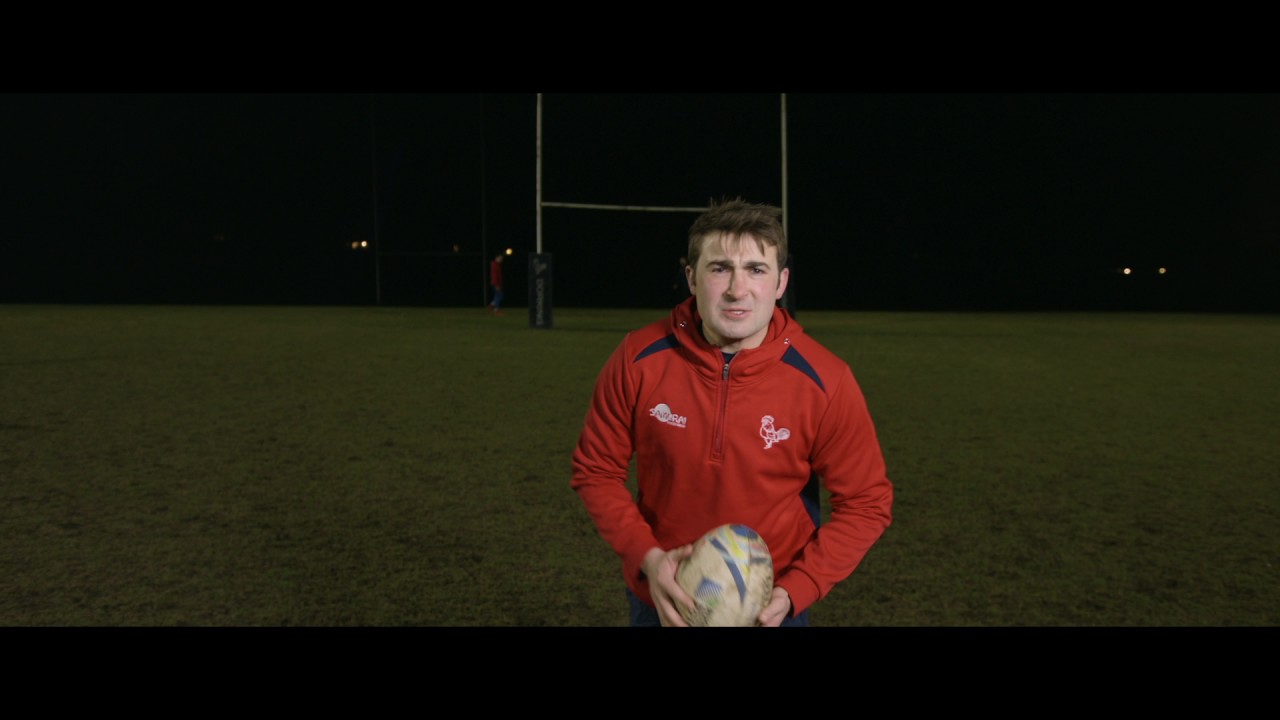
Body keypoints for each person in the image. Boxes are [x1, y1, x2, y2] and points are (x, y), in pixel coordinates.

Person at [570, 197, 893, 627]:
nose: (737, 289)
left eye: (756, 270)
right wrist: (646, 557)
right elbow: (596, 470)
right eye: (720, 268)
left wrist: (799, 588)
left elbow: (867, 502)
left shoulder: (825, 380)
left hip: (770, 604)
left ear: (780, 283)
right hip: (664, 591)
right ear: (691, 277)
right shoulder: (637, 358)